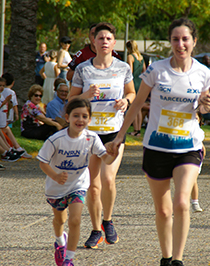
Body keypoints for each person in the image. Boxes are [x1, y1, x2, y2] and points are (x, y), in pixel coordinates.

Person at [106, 18, 210, 266]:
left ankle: (178, 260)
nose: (180, 44)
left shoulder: (203, 73)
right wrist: (120, 135)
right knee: (164, 210)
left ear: (194, 42)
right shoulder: (156, 70)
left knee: (182, 202)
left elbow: (205, 107)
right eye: (175, 39)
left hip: (188, 147)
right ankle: (166, 258)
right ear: (170, 42)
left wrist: (207, 106)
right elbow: (136, 104)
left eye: (185, 39)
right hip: (156, 147)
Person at [68, 22, 135, 249]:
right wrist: (85, 95)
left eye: (108, 38)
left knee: (108, 179)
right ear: (93, 42)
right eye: (100, 38)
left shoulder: (123, 67)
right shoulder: (83, 69)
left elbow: (132, 92)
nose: (104, 42)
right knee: (92, 185)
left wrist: (126, 101)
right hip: (89, 133)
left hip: (114, 132)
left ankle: (108, 221)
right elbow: (70, 101)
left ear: (113, 42)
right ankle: (96, 229)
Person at [37, 98, 119, 266]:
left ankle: (69, 259)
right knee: (60, 220)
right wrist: (55, 176)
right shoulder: (56, 140)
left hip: (78, 185)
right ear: (67, 118)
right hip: (56, 188)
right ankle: (60, 241)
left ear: (89, 119)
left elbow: (106, 160)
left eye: (84, 116)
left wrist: (114, 154)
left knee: (75, 220)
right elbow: (42, 162)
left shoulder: (92, 138)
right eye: (76, 116)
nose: (80, 120)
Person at [126, 40, 146, 136]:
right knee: (138, 107)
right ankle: (138, 130)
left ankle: (135, 129)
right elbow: (144, 70)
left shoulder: (130, 57)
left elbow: (130, 71)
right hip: (140, 82)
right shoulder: (141, 57)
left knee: (133, 107)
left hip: (133, 82)